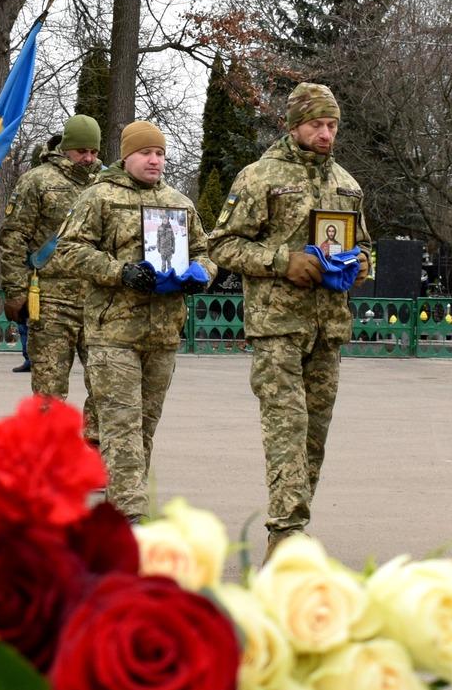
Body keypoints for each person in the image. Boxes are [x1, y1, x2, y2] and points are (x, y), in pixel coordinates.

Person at [207, 83, 375, 556]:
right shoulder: (260, 177)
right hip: (278, 326)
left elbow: (365, 245)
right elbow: (222, 244)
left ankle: (295, 527)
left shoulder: (347, 183)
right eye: (317, 125)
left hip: (328, 326)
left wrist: (361, 265)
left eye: (332, 125)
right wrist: (284, 261)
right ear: (294, 125)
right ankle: (285, 535)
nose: (325, 134)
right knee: (287, 427)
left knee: (314, 436)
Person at [52, 121, 213, 521]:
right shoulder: (99, 198)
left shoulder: (179, 203)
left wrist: (201, 274)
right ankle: (130, 520)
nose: (154, 160)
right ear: (127, 156)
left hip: (162, 333)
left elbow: (206, 251)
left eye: (159, 153)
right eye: (146, 153)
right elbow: (68, 250)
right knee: (121, 427)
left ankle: (120, 510)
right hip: (114, 334)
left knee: (143, 428)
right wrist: (120, 271)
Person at [0, 115, 103, 443]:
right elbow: (14, 237)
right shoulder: (37, 181)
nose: (88, 158)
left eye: (93, 152)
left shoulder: (106, 183)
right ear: (65, 149)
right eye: (81, 151)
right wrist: (15, 291)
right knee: (49, 388)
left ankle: (96, 451)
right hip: (50, 299)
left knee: (105, 383)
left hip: (98, 299)